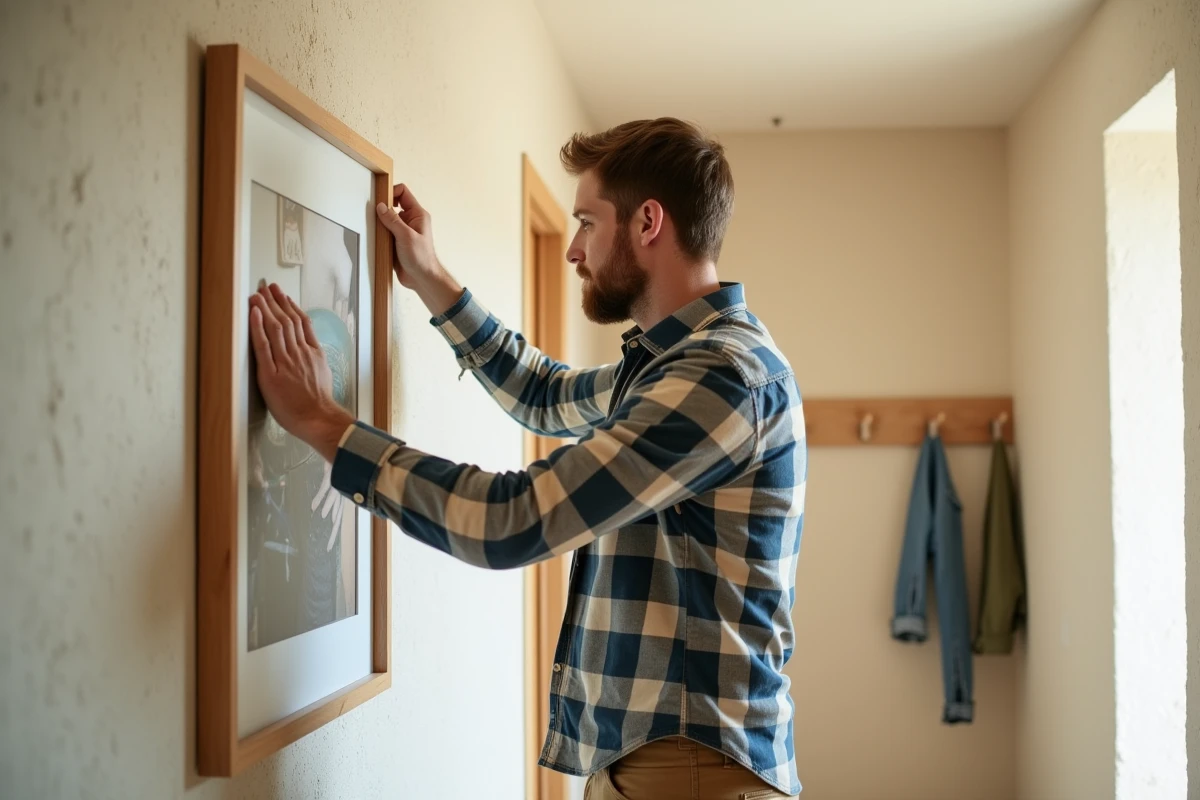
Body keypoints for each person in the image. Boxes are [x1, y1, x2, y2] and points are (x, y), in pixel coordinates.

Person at [247, 117, 807, 799]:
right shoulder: (672, 370)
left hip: (693, 775)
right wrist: (430, 277)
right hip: (673, 769)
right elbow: (545, 396)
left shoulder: (720, 380)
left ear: (647, 223)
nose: (573, 250)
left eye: (587, 222)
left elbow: (512, 520)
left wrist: (324, 424)